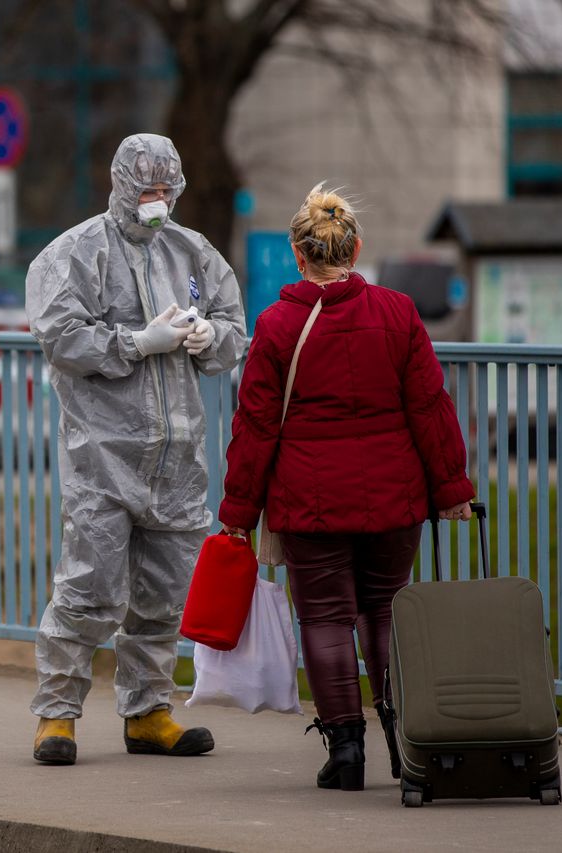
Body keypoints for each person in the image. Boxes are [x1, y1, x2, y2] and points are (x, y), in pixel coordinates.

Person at [218, 183, 474, 791]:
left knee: (327, 621)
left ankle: (347, 749)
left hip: (310, 504)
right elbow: (430, 408)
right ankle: (403, 735)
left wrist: (237, 511)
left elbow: (255, 427)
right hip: (395, 499)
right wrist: (452, 487)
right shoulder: (399, 312)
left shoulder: (278, 326)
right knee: (387, 611)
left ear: (298, 256)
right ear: (355, 248)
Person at [25, 133, 248, 766]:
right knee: (88, 590)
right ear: (120, 186)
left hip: (177, 459)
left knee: (163, 597)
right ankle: (56, 717)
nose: (158, 203)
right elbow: (61, 337)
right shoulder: (73, 254)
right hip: (104, 457)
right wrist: (136, 342)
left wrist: (210, 338)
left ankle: (149, 712)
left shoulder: (192, 252)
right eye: (147, 191)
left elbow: (234, 329)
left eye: (167, 192)